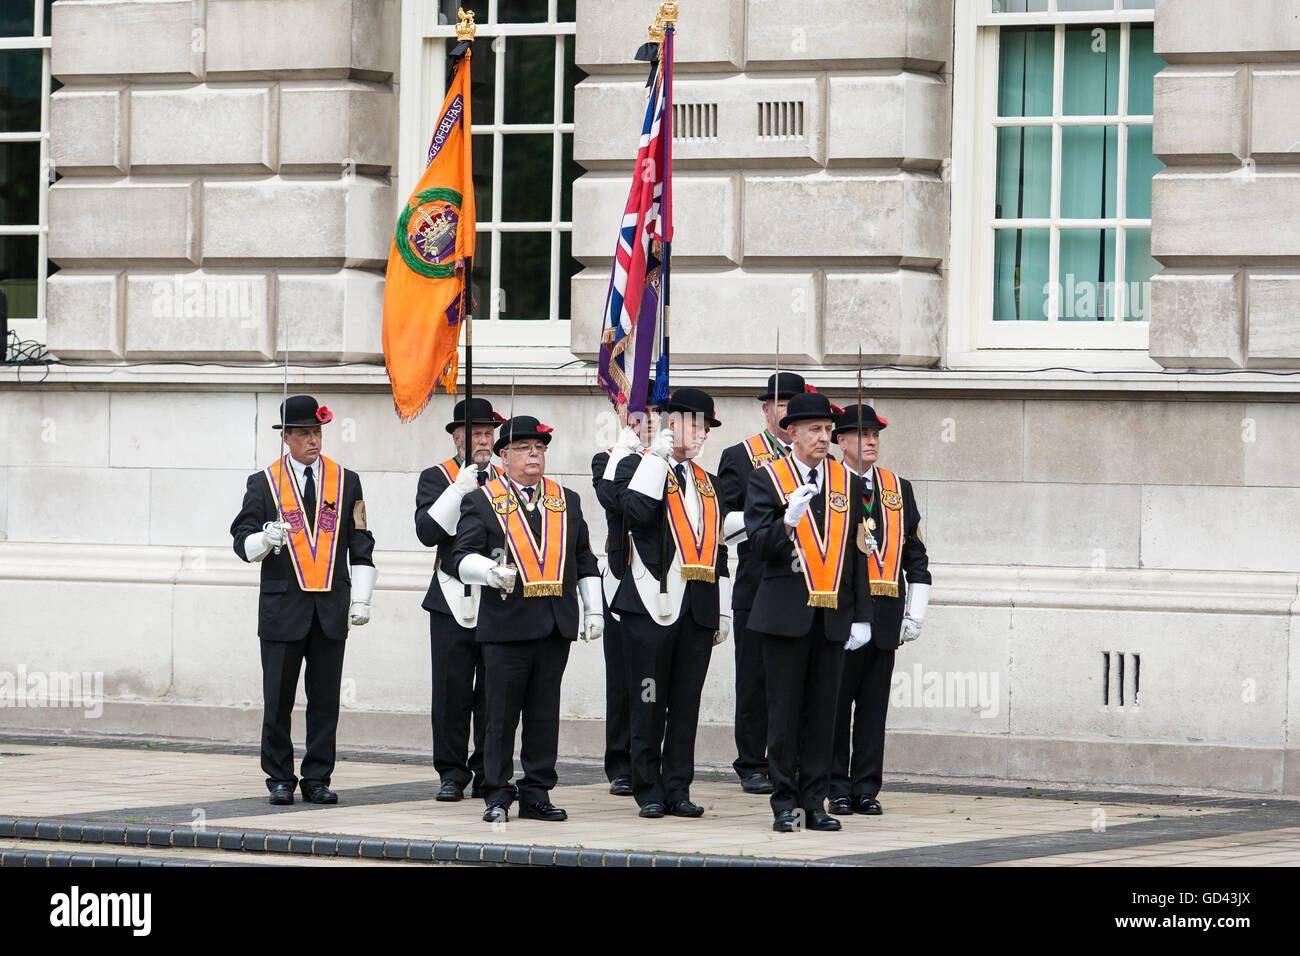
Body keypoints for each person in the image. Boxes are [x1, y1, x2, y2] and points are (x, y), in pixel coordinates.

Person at [446, 415, 603, 823]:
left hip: (554, 623)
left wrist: (594, 607)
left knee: (543, 714)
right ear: (503, 456)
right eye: (524, 447)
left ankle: (537, 793)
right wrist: (488, 571)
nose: (535, 453)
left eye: (540, 447)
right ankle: (496, 793)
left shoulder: (566, 499)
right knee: (499, 715)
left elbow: (583, 558)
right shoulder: (482, 500)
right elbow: (458, 557)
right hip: (506, 625)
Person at [230, 395, 377, 806]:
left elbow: (361, 540)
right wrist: (264, 539)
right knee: (277, 698)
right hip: (283, 609)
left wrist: (362, 598)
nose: (314, 440)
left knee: (325, 699)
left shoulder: (346, 481)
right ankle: (279, 776)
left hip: (330, 607)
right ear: (287, 438)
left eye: (318, 432)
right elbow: (241, 543)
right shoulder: (265, 483)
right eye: (305, 434)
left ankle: (317, 777)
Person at [744, 390, 873, 833]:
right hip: (784, 616)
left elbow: (858, 554)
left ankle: (814, 801)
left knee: (824, 714)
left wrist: (862, 615)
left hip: (832, 614)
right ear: (791, 433)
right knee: (783, 715)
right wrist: (786, 520)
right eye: (815, 430)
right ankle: (785, 803)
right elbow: (759, 549)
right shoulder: (767, 479)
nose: (824, 438)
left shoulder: (848, 483)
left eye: (827, 430)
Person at [613, 389, 730, 819]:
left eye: (705, 426)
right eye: (693, 424)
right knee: (648, 699)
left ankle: (678, 787)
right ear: (671, 424)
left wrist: (724, 608)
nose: (700, 434)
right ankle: (648, 788)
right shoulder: (637, 465)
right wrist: (657, 460)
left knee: (685, 702)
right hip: (650, 603)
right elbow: (637, 514)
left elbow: (719, 548)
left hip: (696, 606)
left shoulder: (708, 482)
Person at [829, 405, 931, 817]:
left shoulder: (896, 487)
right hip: (840, 615)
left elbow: (915, 551)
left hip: (886, 613)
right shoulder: (827, 484)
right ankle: (835, 787)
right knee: (835, 709)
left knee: (873, 710)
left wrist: (916, 611)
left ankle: (866, 788)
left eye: (875, 434)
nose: (871, 440)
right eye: (862, 434)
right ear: (841, 440)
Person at [716, 371, 807, 794]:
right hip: (757, 581)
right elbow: (724, 521)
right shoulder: (741, 455)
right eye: (780, 405)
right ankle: (752, 760)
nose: (787, 414)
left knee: (797, 680)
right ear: (767, 410)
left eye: (794, 406)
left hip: (808, 584)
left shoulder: (819, 462)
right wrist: (771, 519)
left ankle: (791, 759)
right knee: (754, 677)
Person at [413, 397, 504, 802]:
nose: (484, 441)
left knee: (493, 692)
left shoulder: (507, 478)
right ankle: (451, 772)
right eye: (475, 434)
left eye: (488, 434)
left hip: (495, 596)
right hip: (450, 595)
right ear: (456, 439)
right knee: (450, 692)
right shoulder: (436, 477)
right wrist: (458, 489)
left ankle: (488, 769)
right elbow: (428, 532)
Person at [590, 406, 657, 798]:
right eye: (636, 416)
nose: (645, 423)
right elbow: (612, 499)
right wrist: (622, 454)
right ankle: (621, 763)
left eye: (652, 416)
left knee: (653, 680)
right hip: (622, 576)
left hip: (662, 584)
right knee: (622, 678)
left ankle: (650, 760)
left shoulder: (667, 463)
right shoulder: (606, 459)